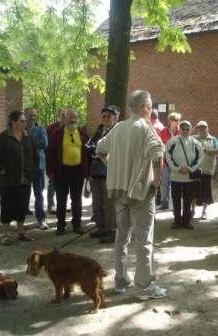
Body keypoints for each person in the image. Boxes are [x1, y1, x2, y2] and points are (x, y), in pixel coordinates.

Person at [96, 90, 167, 300]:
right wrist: (156, 182)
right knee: (144, 239)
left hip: (120, 191)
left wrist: (110, 165)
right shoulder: (146, 128)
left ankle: (121, 280)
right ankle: (144, 287)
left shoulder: (118, 127)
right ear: (145, 107)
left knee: (122, 236)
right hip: (140, 192)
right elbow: (157, 154)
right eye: (151, 105)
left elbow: (100, 148)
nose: (152, 108)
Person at [0, 110, 38, 245]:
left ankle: (21, 232)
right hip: (7, 181)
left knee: (22, 205)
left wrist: (33, 172)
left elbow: (35, 156)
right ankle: (5, 234)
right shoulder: (3, 137)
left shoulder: (27, 137)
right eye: (22, 121)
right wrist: (1, 170)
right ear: (13, 122)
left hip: (25, 180)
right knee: (7, 206)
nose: (25, 123)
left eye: (25, 121)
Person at [47, 108, 89, 235]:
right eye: (70, 117)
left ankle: (77, 225)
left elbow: (88, 153)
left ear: (78, 119)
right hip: (62, 171)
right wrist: (50, 171)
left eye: (75, 117)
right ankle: (61, 226)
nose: (73, 120)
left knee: (76, 200)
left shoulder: (83, 134)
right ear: (64, 119)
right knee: (61, 200)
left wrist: (87, 173)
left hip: (78, 171)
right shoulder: (57, 134)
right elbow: (50, 154)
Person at [88, 105, 119, 243]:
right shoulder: (99, 130)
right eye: (104, 116)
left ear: (115, 118)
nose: (106, 119)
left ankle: (111, 230)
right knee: (97, 202)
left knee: (110, 203)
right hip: (96, 171)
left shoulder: (117, 131)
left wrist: (99, 151)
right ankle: (101, 228)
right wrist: (98, 152)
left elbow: (113, 149)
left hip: (109, 171)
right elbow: (88, 147)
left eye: (109, 116)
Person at [166, 120, 204, 229]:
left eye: (188, 129)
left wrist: (190, 168)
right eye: (183, 129)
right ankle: (177, 220)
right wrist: (177, 169)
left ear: (191, 129)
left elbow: (200, 157)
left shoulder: (196, 143)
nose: (186, 131)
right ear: (180, 129)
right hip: (176, 177)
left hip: (189, 178)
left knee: (188, 200)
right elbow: (168, 157)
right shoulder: (172, 141)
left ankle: (186, 221)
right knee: (176, 200)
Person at [25, 107, 49, 230]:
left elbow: (44, 144)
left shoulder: (41, 130)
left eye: (34, 115)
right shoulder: (21, 129)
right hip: (24, 167)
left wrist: (27, 143)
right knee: (23, 194)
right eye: (30, 115)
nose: (33, 117)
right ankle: (20, 220)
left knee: (39, 194)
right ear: (25, 116)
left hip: (38, 166)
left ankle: (41, 219)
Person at [192, 120, 218, 219]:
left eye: (204, 128)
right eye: (199, 128)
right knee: (194, 191)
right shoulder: (193, 138)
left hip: (208, 169)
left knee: (206, 191)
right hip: (195, 169)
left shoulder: (213, 139)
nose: (202, 130)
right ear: (197, 129)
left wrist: (204, 150)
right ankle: (193, 210)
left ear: (207, 128)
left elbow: (216, 151)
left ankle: (205, 211)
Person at [45, 108, 67, 214]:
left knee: (64, 185)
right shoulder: (51, 128)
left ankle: (62, 204)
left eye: (65, 115)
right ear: (59, 116)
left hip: (67, 162)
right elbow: (47, 146)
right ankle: (51, 205)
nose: (64, 116)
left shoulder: (72, 128)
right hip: (54, 161)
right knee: (52, 184)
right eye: (62, 114)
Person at [158, 112, 181, 210]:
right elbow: (160, 145)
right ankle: (164, 203)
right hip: (166, 162)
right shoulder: (163, 131)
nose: (176, 122)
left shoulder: (180, 132)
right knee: (164, 183)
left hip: (176, 162)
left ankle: (175, 205)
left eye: (177, 120)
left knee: (175, 183)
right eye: (174, 120)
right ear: (170, 121)